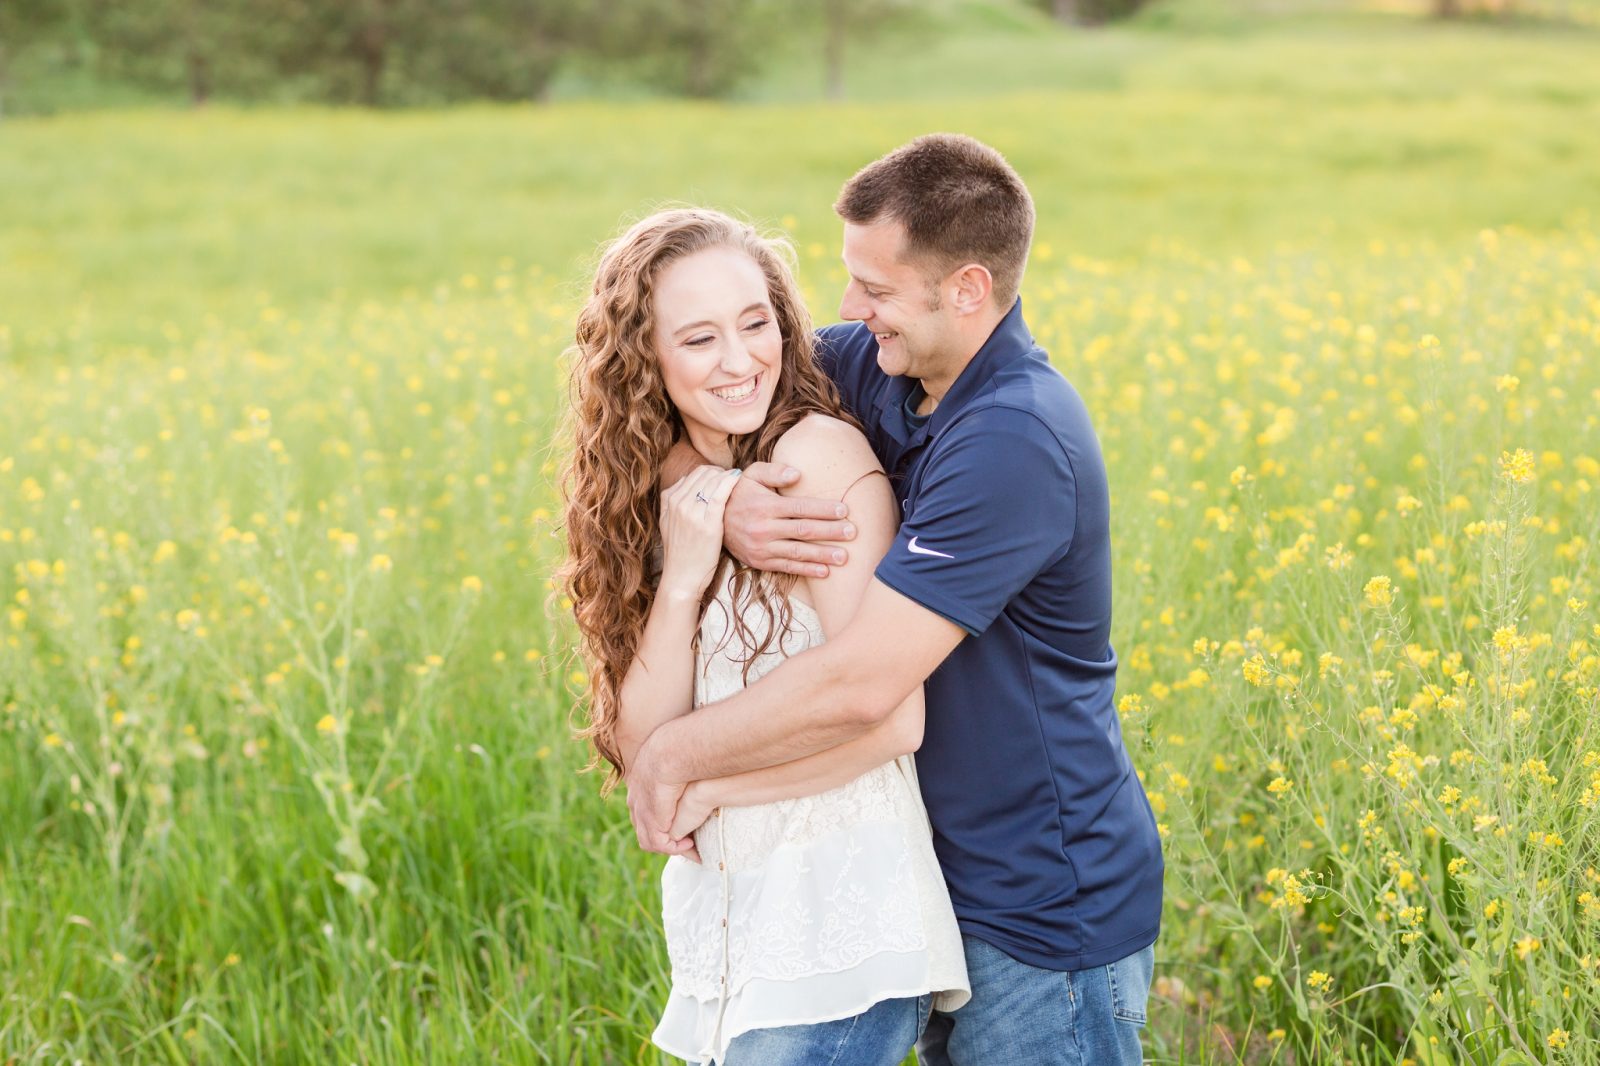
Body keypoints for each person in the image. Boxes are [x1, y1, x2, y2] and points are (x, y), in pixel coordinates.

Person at [629, 135, 1164, 1064]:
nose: (845, 311)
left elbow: (863, 686)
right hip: (919, 870)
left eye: (874, 289)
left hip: (1037, 902)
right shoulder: (880, 364)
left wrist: (671, 759)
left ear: (964, 289)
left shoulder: (1015, 438)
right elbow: (711, 397)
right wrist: (728, 502)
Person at [559, 207, 970, 1065]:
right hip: (744, 934)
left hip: (840, 934)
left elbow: (895, 723)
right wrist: (683, 571)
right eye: (700, 339)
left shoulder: (817, 460)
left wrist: (714, 789)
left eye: (756, 325)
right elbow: (646, 750)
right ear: (648, 361)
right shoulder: (683, 493)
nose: (741, 360)